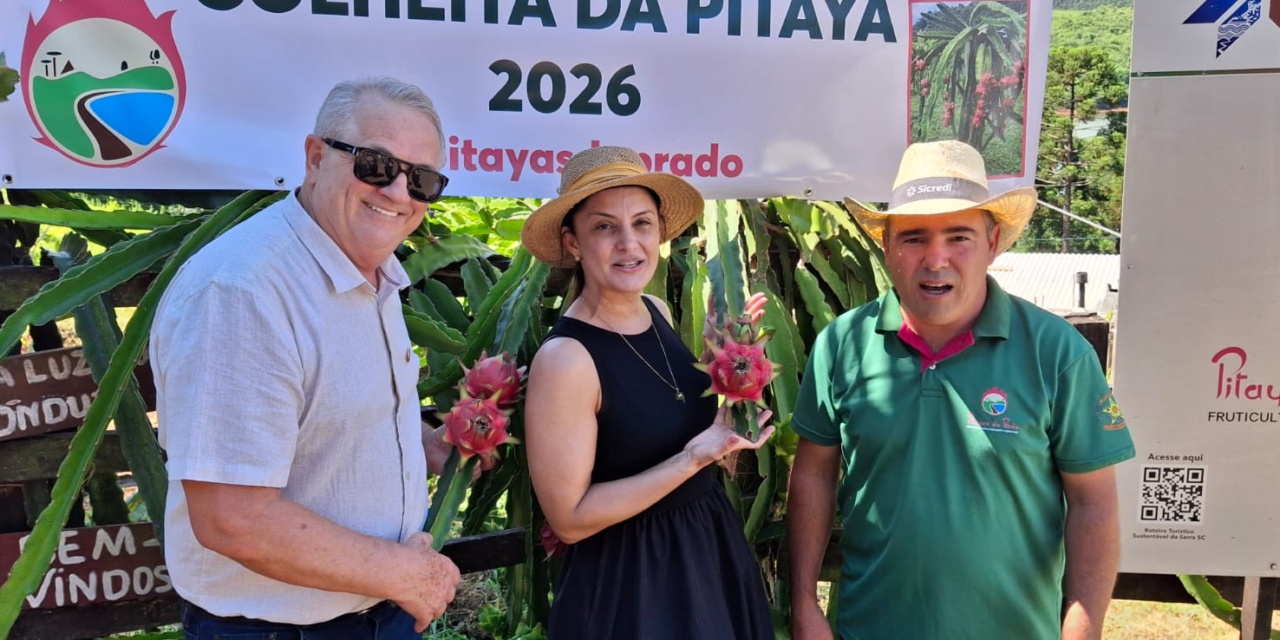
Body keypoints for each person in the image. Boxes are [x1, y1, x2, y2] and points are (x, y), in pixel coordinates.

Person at [151, 77, 464, 640]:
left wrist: (428, 446)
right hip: (277, 629)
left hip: (381, 610)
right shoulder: (243, 293)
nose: (398, 192)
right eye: (375, 164)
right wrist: (406, 574)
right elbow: (232, 519)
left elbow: (327, 414)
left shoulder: (371, 270)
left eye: (422, 180)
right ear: (316, 157)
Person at [786, 140, 1136, 640]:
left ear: (993, 241)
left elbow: (1094, 503)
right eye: (913, 237)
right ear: (886, 245)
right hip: (868, 628)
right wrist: (803, 603)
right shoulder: (841, 344)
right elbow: (813, 477)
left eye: (958, 236)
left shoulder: (1055, 351)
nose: (935, 258)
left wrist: (1082, 631)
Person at [521, 145, 776, 639]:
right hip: (633, 583)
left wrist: (733, 368)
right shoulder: (566, 359)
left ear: (660, 232)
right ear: (573, 243)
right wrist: (692, 459)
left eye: (642, 223)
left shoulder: (656, 310)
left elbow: (669, 424)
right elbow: (569, 519)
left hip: (706, 551)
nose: (628, 243)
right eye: (604, 227)